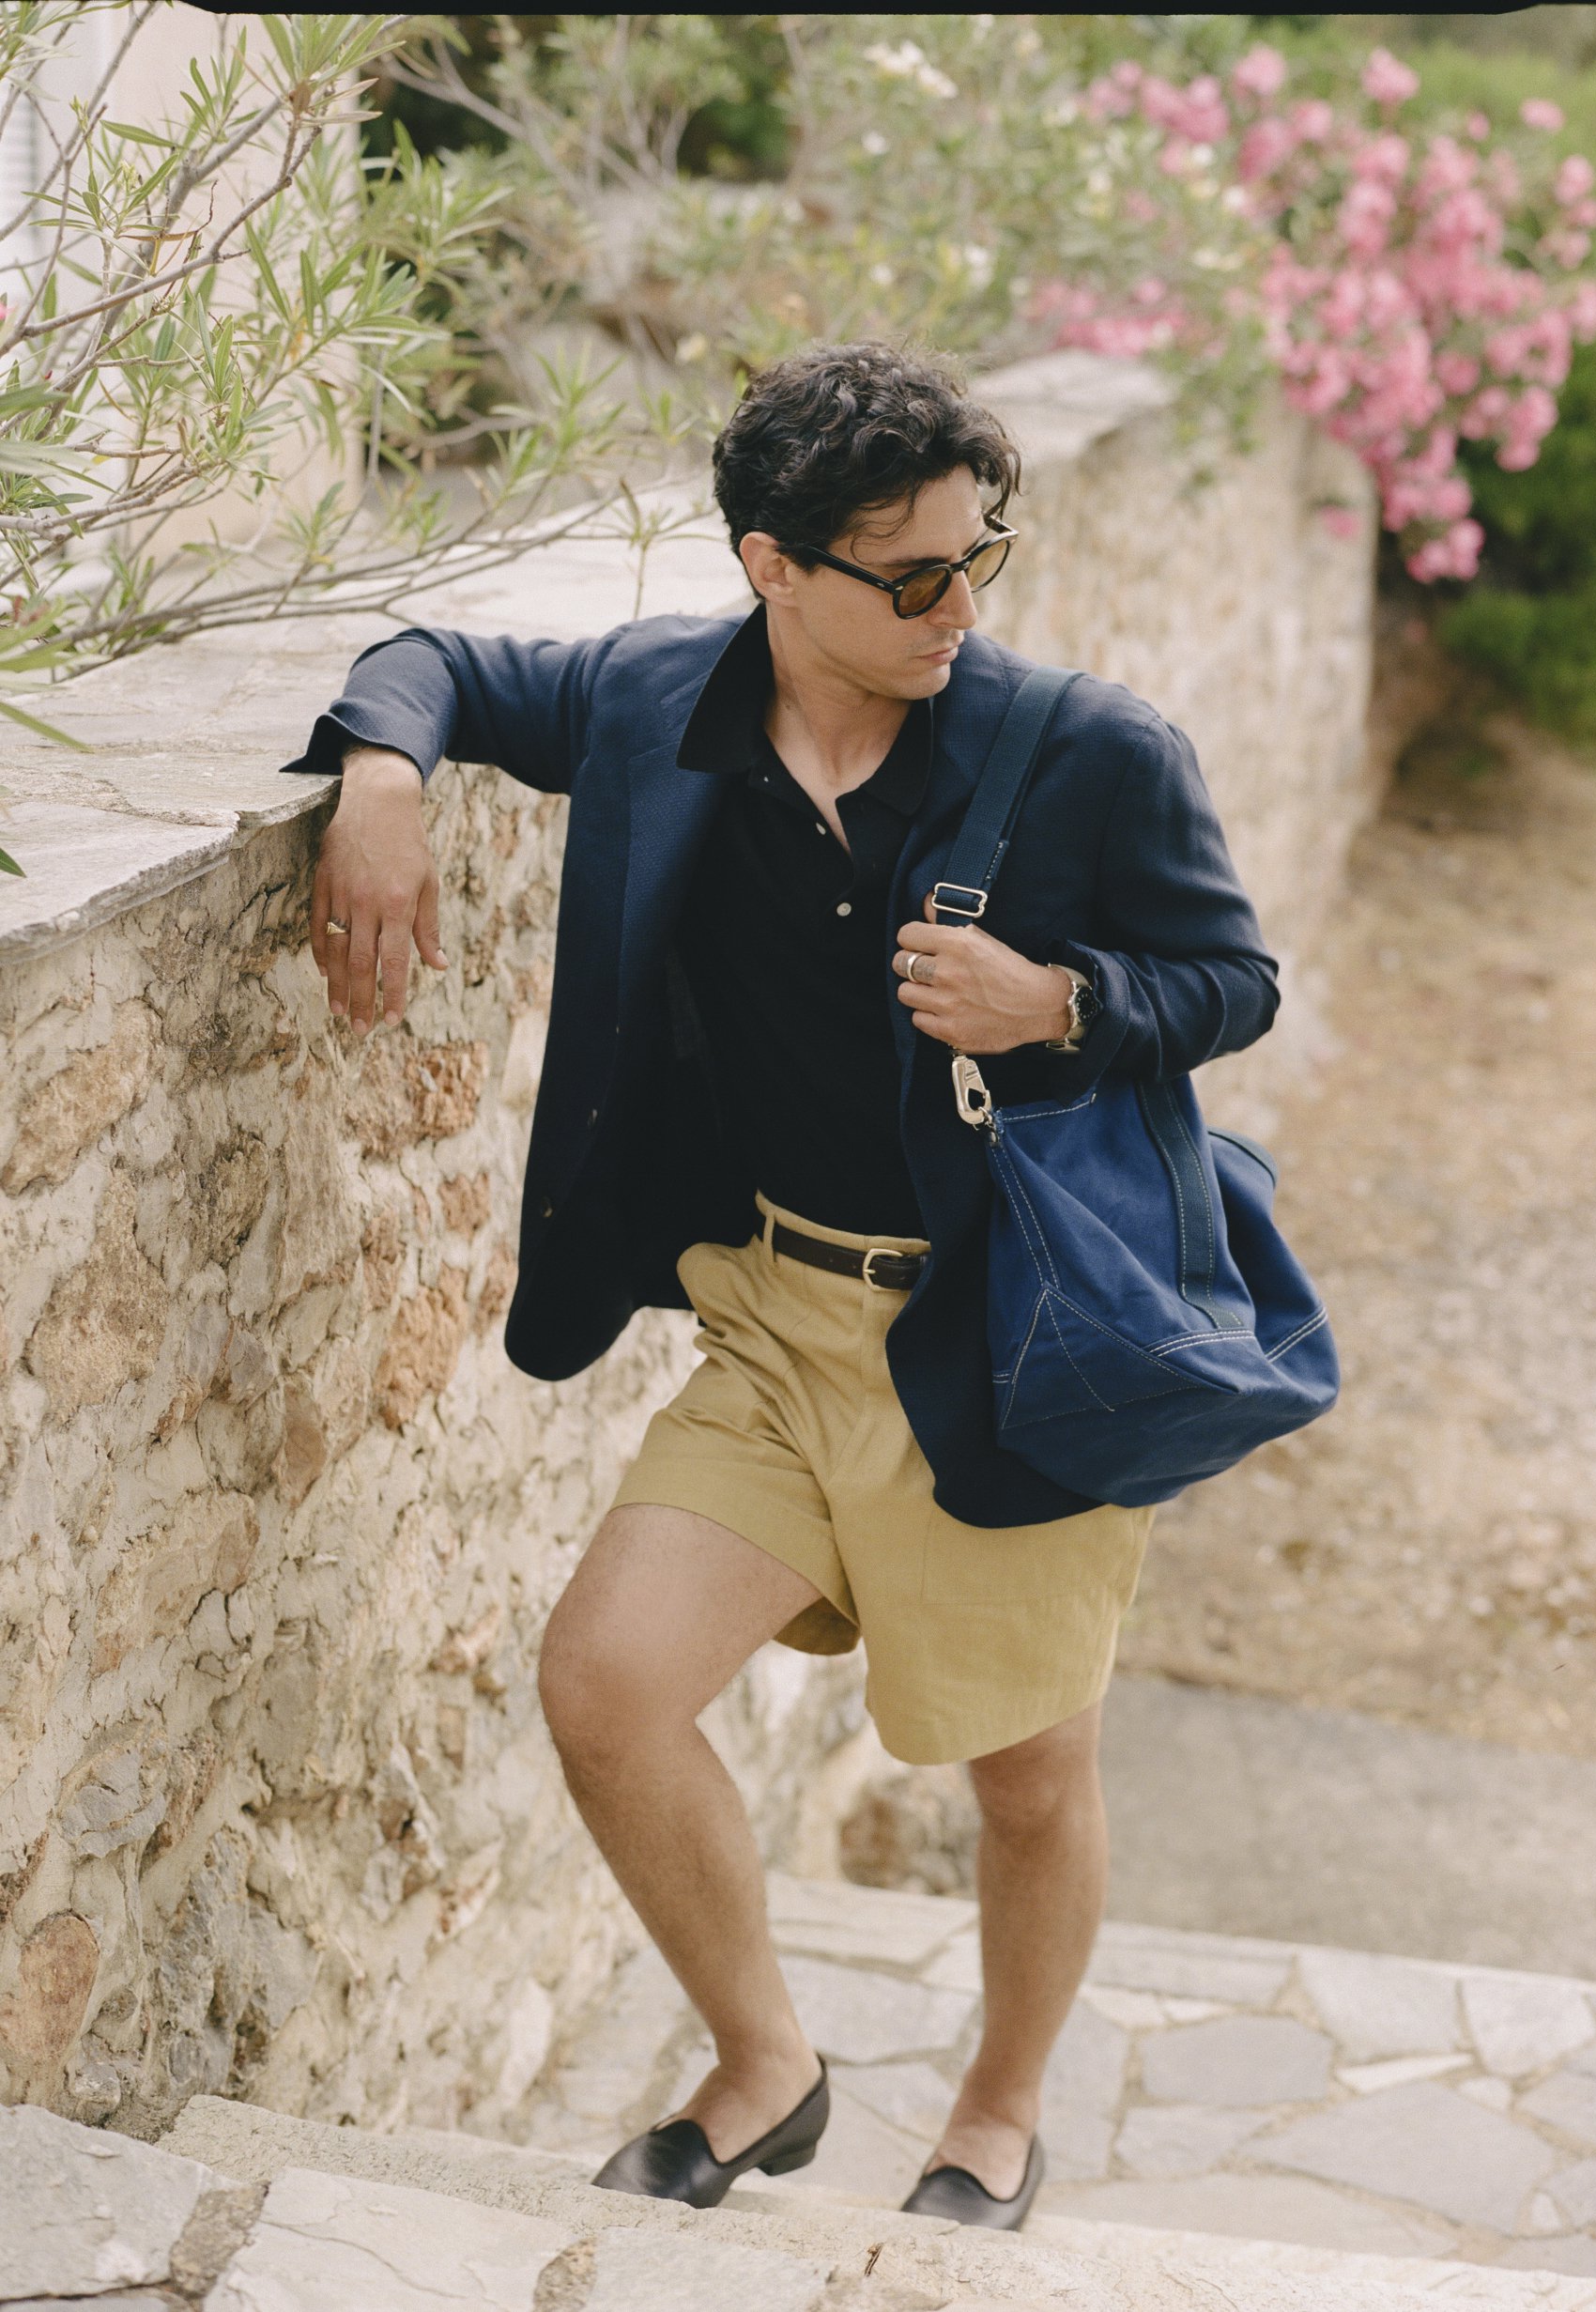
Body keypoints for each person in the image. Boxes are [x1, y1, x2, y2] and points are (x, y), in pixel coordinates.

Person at [284, 341, 1279, 2229]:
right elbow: (432, 658)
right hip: (775, 1318)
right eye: (911, 577)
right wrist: (382, 779)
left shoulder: (1090, 750)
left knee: (1027, 1779)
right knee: (605, 1683)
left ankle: (996, 2113)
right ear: (772, 568)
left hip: (1003, 1335)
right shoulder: (658, 700)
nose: (958, 608)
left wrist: (1059, 1002)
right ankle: (768, 2065)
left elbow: (1234, 981)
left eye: (980, 559)